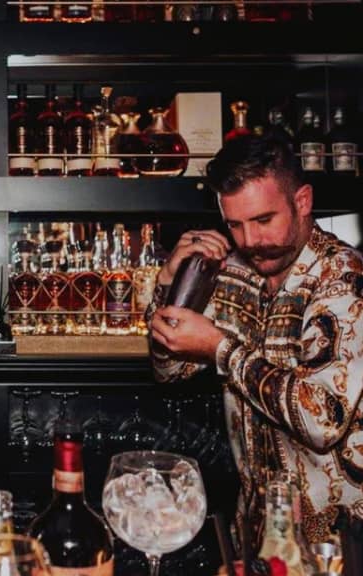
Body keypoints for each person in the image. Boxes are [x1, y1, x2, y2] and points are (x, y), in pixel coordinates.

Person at [149, 132, 363, 553]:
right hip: (258, 532)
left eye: (264, 220)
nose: (249, 241)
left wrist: (221, 349)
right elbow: (168, 369)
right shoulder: (233, 273)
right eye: (235, 225)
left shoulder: (344, 280)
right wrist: (171, 283)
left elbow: (322, 420)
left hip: (340, 543)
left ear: (302, 201)